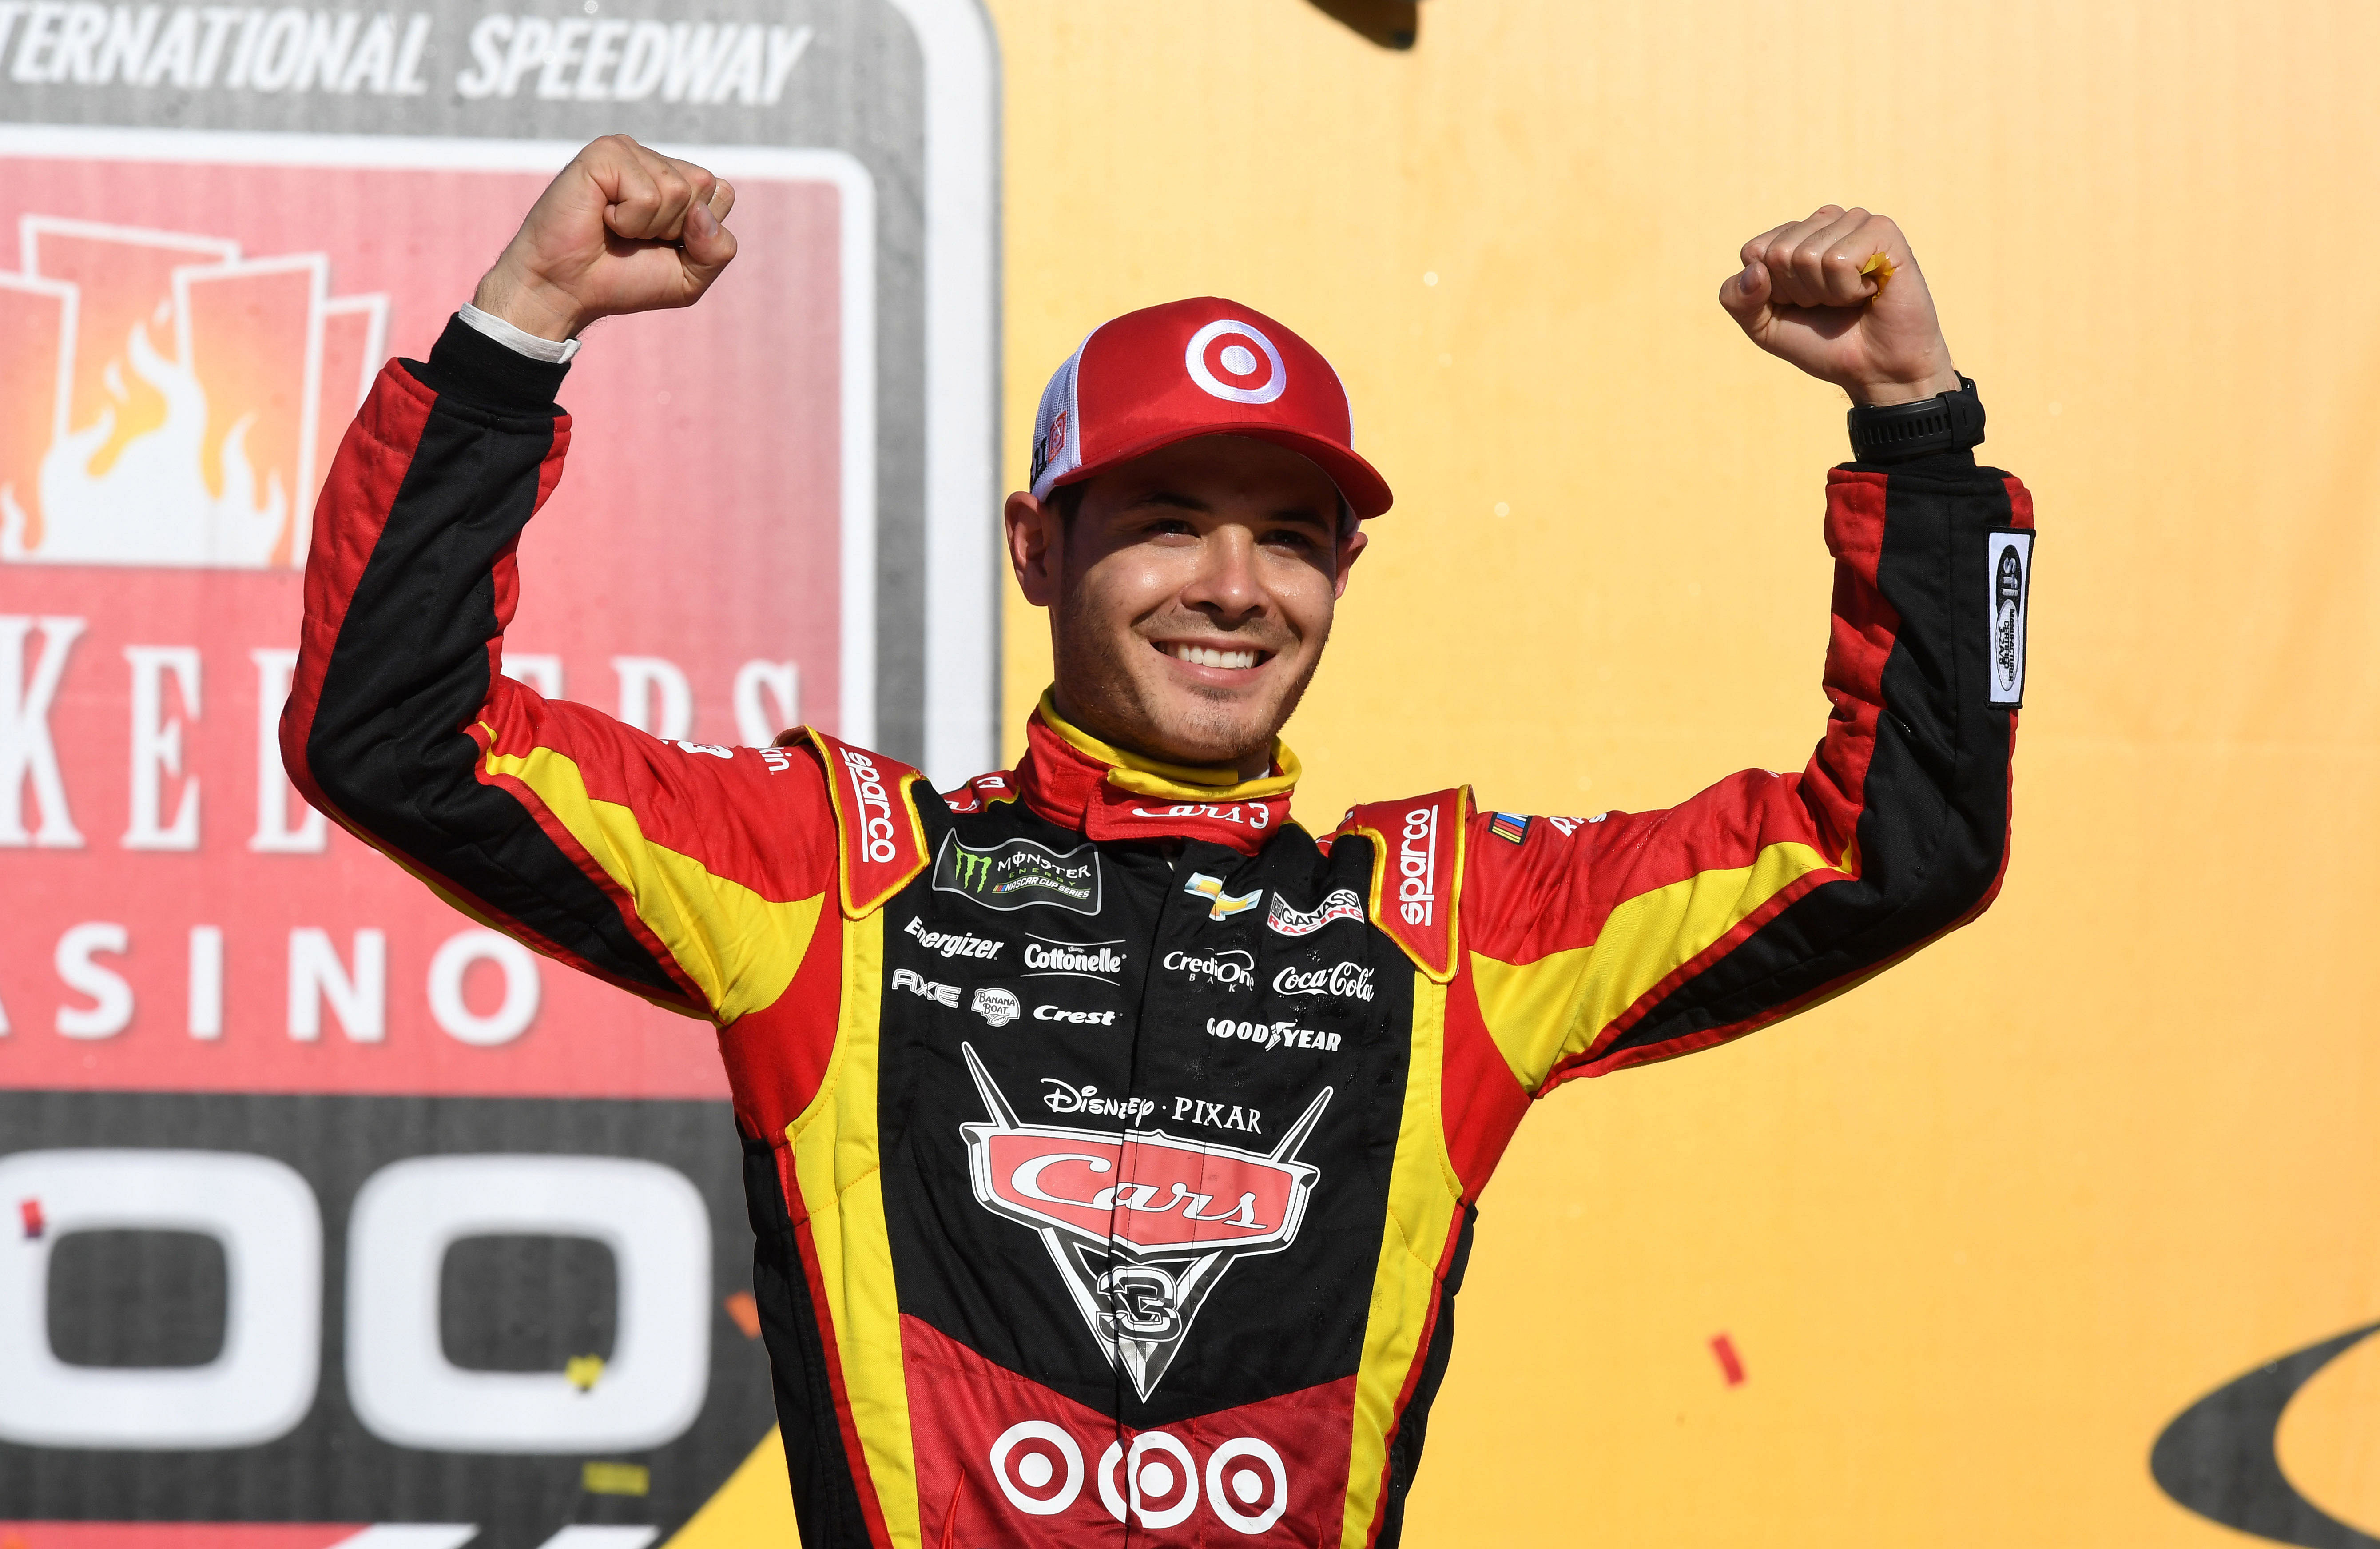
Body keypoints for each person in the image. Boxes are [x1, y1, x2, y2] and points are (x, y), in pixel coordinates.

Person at [284, 134, 2032, 1548]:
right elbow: (397, 736)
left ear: (1339, 577)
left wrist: (1917, 430)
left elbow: (1897, 844)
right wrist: (515, 336)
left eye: (1288, 533)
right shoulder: (834, 879)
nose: (1230, 584)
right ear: (1034, 550)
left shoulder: (1453, 930)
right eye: (1164, 521)